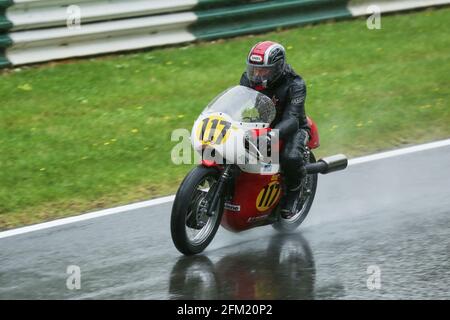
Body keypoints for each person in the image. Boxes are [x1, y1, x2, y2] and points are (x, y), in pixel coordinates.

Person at [240, 41, 310, 219]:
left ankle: (295, 191)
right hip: (264, 123)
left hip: (293, 128)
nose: (257, 74)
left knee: (291, 157)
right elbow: (237, 103)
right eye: (254, 69)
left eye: (263, 70)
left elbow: (293, 119)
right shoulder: (249, 79)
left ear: (277, 68)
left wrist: (272, 135)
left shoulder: (296, 84)